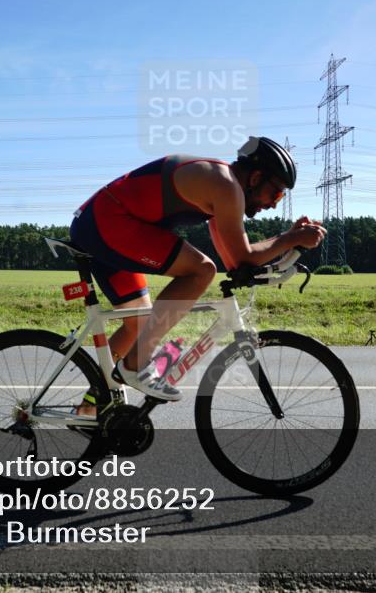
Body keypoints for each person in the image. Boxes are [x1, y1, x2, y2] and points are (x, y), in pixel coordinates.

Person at [69, 136, 326, 412]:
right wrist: (290, 238)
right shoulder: (225, 186)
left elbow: (235, 261)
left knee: (139, 324)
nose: (274, 204)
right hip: (110, 222)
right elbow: (243, 257)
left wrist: (290, 240)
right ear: (255, 177)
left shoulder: (222, 187)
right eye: (276, 194)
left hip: (99, 222)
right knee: (201, 271)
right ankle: (136, 365)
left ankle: (90, 407)